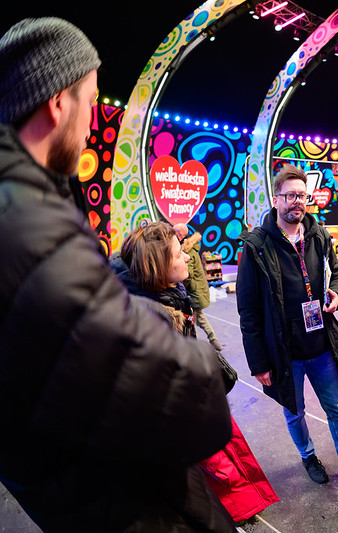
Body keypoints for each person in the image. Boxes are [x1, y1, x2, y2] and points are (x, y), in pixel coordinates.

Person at [0, 17, 235, 532]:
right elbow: (177, 399)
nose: (90, 125)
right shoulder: (29, 224)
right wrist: (203, 362)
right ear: (57, 103)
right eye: (89, 102)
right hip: (122, 500)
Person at [111, 222, 279, 523]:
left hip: (192, 407)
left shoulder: (167, 295)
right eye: (179, 254)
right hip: (181, 420)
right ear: (159, 266)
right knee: (212, 469)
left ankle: (237, 511)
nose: (188, 257)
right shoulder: (148, 318)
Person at [237, 164, 338, 486]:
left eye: (302, 195)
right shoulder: (256, 245)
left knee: (337, 409)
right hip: (284, 351)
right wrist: (258, 363)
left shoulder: (319, 236)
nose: (297, 202)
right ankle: (308, 456)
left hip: (321, 346)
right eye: (290, 195)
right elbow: (248, 311)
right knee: (294, 412)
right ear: (276, 199)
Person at [174, 223, 224, 351]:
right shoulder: (193, 250)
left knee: (192, 319)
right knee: (197, 318)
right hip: (198, 291)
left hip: (194, 293)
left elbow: (188, 274)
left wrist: (180, 287)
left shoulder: (188, 252)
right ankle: (212, 340)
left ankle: (197, 343)